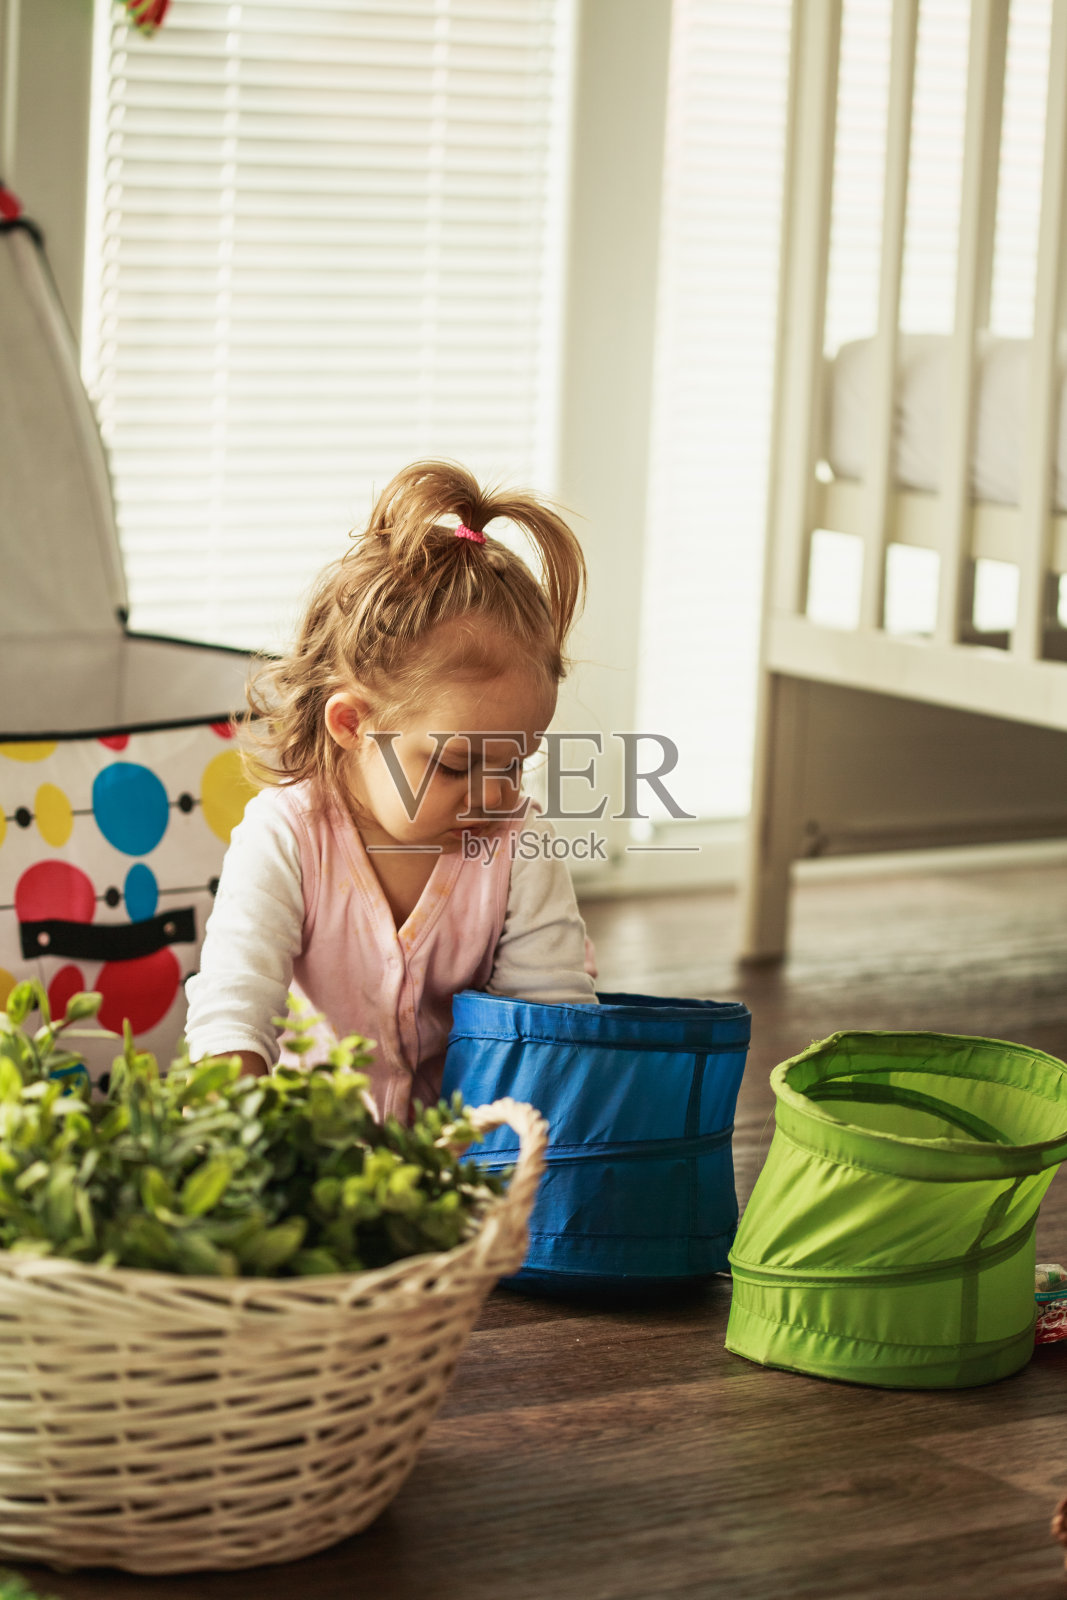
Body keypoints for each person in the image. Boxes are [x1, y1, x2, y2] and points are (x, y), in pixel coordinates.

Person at [184, 459, 598, 1121]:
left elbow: (550, 1026)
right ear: (352, 723)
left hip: (468, 1157)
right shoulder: (286, 835)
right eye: (458, 765)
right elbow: (234, 1007)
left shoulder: (518, 846)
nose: (494, 794)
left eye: (516, 761)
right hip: (311, 1156)